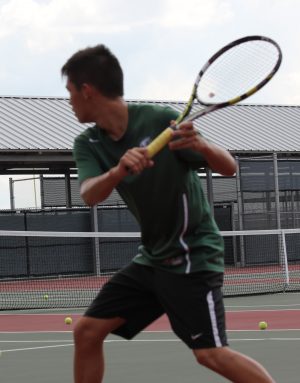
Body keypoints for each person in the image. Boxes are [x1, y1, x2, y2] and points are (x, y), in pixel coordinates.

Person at [62, 44, 275, 383]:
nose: (69, 102)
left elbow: (229, 167)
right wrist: (118, 171)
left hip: (193, 255)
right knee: (87, 332)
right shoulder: (88, 143)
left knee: (210, 354)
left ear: (87, 91)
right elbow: (90, 194)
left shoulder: (160, 120)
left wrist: (203, 146)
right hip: (153, 259)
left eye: (70, 92)